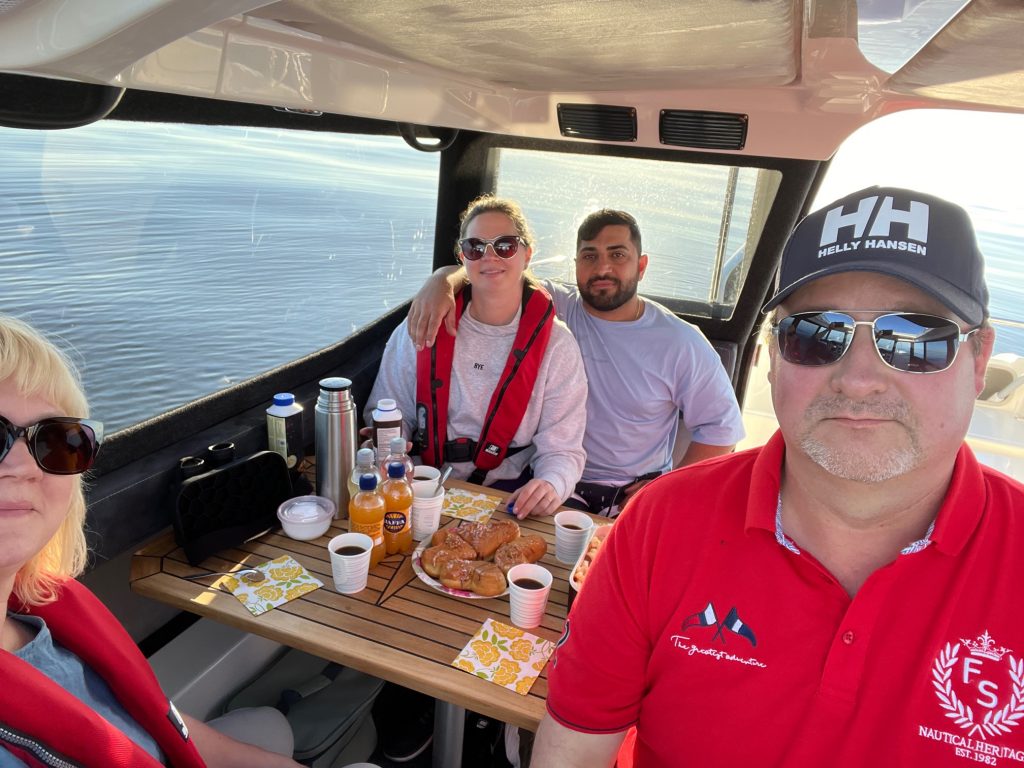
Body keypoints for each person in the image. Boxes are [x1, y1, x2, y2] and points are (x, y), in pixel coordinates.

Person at [531, 186, 1024, 766]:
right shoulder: (659, 525)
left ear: (978, 358)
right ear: (772, 357)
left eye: (915, 338)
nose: (858, 379)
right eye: (817, 334)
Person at [0, 314, 325, 768]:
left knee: (273, 727)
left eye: (55, 440)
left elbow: (149, 720)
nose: (23, 467)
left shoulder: (29, 616)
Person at [407, 208, 743, 516]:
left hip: (628, 495)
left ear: (641, 266)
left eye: (618, 255)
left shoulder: (680, 342)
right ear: (576, 264)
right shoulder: (556, 305)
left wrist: (667, 488)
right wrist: (441, 281)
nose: (602, 268)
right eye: (590, 256)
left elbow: (721, 428)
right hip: (547, 479)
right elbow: (494, 271)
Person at [366, 194, 587, 519]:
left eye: (505, 245)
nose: (490, 256)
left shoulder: (558, 346)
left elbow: (563, 449)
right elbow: (389, 408)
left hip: (506, 495)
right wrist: (389, 447)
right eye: (475, 247)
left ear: (527, 254)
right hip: (419, 484)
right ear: (462, 257)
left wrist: (551, 484)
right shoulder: (424, 322)